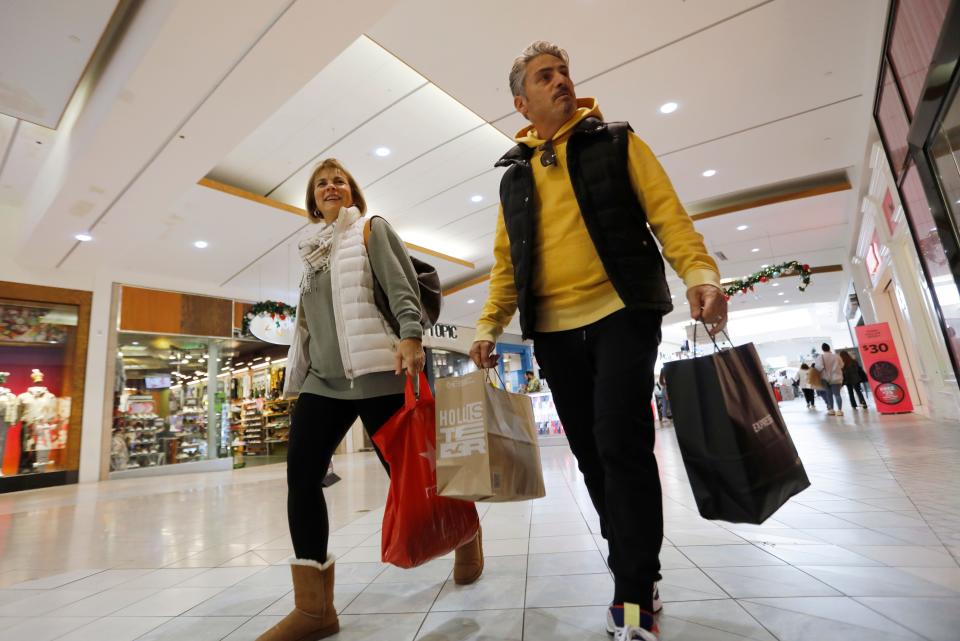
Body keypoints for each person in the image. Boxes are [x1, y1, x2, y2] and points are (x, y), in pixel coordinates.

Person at [469, 41, 726, 641]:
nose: (562, 81)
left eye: (563, 72)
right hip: (554, 332)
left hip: (621, 313)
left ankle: (633, 594)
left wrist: (701, 275)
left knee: (621, 444)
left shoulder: (617, 142)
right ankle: (633, 564)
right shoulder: (514, 179)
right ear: (521, 100)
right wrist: (487, 326)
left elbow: (668, 216)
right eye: (545, 76)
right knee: (589, 456)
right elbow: (507, 265)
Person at [259, 159, 483, 641]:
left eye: (338, 180)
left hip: (382, 373)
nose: (330, 187)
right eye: (321, 183)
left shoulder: (370, 229)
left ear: (352, 190)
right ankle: (315, 609)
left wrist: (410, 337)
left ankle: (467, 537)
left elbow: (401, 285)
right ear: (312, 199)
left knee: (413, 473)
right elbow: (310, 323)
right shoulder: (312, 252)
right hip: (325, 382)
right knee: (301, 475)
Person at [813, 343, 844, 416]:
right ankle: (839, 410)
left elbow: (818, 368)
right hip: (837, 378)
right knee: (837, 394)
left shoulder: (820, 357)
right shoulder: (836, 356)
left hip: (825, 378)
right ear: (829, 348)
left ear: (822, 349)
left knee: (828, 394)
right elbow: (842, 365)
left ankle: (831, 410)